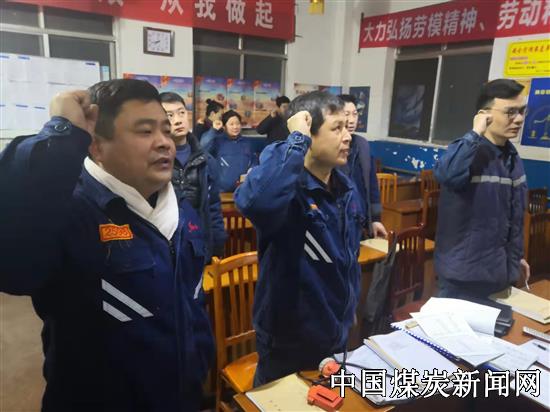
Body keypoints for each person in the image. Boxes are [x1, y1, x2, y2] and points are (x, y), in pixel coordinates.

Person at [0, 79, 214, 411]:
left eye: (165, 130)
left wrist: (199, 364)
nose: (164, 143)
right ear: (96, 147)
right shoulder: (70, 211)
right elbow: (14, 267)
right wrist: (62, 133)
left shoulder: (180, 209)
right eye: (145, 131)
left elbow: (192, 303)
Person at [234, 91, 365, 386]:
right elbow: (255, 203)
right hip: (288, 344)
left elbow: (348, 256)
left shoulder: (345, 188)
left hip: (334, 336)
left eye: (347, 127)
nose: (347, 137)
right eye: (336, 128)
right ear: (308, 133)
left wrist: (349, 307)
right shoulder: (287, 188)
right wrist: (295, 140)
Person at [434, 79, 530, 299]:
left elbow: (512, 218)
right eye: (510, 112)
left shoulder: (511, 157)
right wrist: (475, 133)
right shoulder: (467, 152)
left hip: (500, 273)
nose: (519, 119)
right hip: (464, 278)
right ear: (484, 115)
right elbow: (447, 175)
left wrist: (515, 258)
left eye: (522, 111)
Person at [160, 92, 226, 260]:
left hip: (198, 246)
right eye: (169, 115)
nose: (178, 120)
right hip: (165, 248)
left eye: (181, 113)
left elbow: (213, 206)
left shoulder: (206, 160)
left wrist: (218, 246)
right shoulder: (154, 160)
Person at [338, 94, 387, 239]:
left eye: (355, 114)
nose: (352, 120)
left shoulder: (363, 145)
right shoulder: (331, 146)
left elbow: (372, 184)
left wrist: (376, 219)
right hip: (340, 221)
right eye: (346, 114)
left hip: (360, 220)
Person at [202, 110, 257, 192]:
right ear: (224, 127)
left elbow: (254, 159)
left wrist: (252, 168)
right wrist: (213, 130)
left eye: (238, 123)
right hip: (221, 192)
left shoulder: (247, 142)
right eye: (231, 124)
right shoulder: (217, 141)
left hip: (242, 191)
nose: (235, 127)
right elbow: (203, 146)